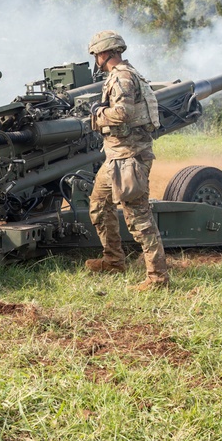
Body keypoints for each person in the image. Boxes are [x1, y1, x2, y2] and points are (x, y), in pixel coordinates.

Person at [85, 30, 171, 290]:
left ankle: (158, 278)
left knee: (138, 217)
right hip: (116, 155)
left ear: (106, 53)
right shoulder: (122, 75)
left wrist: (97, 115)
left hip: (129, 157)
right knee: (99, 205)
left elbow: (123, 113)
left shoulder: (122, 77)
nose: (96, 59)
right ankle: (113, 261)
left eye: (97, 54)